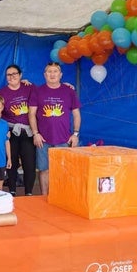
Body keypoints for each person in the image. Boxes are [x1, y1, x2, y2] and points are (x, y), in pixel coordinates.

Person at [29, 62, 81, 195]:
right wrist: (35, 133)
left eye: (55, 71)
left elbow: (76, 115)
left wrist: (75, 134)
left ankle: (59, 196)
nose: (52, 74)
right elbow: (32, 114)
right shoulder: (38, 91)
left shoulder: (69, 91)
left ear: (60, 74)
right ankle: (44, 198)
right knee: (44, 169)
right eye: (49, 72)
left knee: (62, 170)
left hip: (63, 139)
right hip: (43, 139)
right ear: (45, 75)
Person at [0, 64, 36, 196]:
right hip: (11, 131)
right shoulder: (1, 93)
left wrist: (65, 85)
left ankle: (29, 192)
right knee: (11, 161)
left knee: (29, 163)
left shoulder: (29, 88)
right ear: (6, 77)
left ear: (20, 75)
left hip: (28, 131)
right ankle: (12, 190)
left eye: (15, 74)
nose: (12, 76)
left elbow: (46, 91)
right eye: (9, 74)